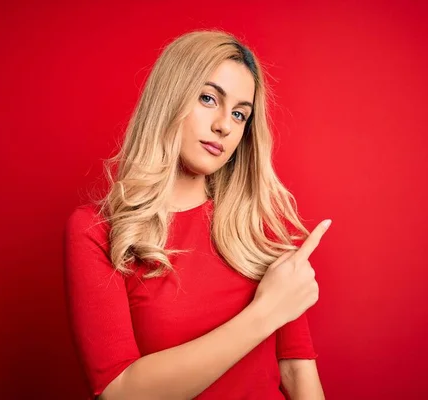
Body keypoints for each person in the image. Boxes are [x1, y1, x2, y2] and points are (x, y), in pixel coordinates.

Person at [64, 30, 331, 399]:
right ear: (169, 98)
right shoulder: (98, 231)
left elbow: (297, 373)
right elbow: (119, 392)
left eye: (240, 114)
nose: (224, 124)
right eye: (208, 98)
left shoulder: (260, 226)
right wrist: (266, 312)